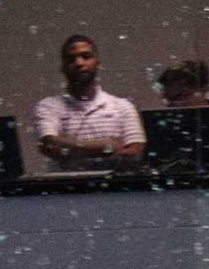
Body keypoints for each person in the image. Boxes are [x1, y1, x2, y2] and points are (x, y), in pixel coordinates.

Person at [33, 35, 143, 172]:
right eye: (71, 59)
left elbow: (135, 153)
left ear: (98, 63)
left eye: (86, 56)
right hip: (66, 188)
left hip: (116, 187)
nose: (79, 63)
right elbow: (50, 145)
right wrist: (106, 145)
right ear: (63, 67)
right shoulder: (48, 106)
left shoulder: (123, 106)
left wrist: (70, 147)